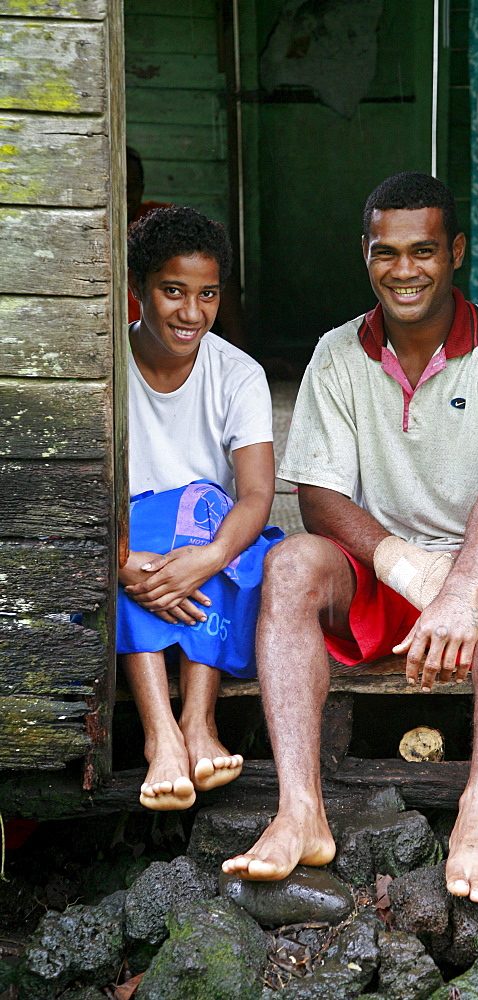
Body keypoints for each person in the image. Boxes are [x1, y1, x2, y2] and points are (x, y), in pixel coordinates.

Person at [222, 172, 478, 904]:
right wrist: (408, 568)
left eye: (424, 250)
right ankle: (300, 810)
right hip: (383, 577)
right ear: (364, 254)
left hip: (475, 589)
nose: (404, 270)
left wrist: (459, 587)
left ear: (456, 251)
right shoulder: (337, 354)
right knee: (291, 562)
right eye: (386, 251)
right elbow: (318, 497)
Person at [118, 205, 278, 811]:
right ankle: (162, 733)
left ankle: (198, 721)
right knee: (136, 525)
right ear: (139, 289)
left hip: (204, 546)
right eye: (172, 291)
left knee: (217, 513)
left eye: (207, 294)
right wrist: (119, 559)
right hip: (127, 545)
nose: (192, 312)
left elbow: (257, 495)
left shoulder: (239, 375)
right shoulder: (104, 369)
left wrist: (206, 557)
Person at [126, 147, 246, 348]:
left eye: (133, 186)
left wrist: (241, 354)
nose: (127, 194)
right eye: (120, 186)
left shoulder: (156, 221)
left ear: (143, 187)